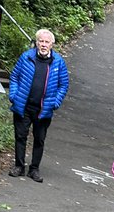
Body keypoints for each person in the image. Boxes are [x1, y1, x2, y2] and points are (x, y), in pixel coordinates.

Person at [7, 29, 69, 183]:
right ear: (36, 42)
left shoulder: (58, 62)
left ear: (52, 44)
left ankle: (34, 169)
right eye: (41, 41)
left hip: (44, 108)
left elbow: (64, 85)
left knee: (39, 139)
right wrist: (13, 95)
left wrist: (56, 102)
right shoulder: (26, 57)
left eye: (46, 42)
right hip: (24, 105)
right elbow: (14, 76)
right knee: (20, 136)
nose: (43, 44)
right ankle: (19, 166)